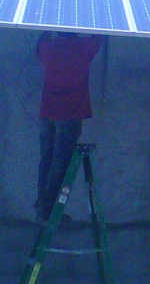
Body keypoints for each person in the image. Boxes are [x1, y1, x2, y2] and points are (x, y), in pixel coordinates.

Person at [35, 31, 103, 223]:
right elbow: (99, 38)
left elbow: (39, 46)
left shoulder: (48, 47)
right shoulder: (83, 47)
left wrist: (45, 31)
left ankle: (43, 208)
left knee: (47, 160)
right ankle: (48, 211)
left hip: (47, 110)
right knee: (60, 163)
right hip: (70, 112)